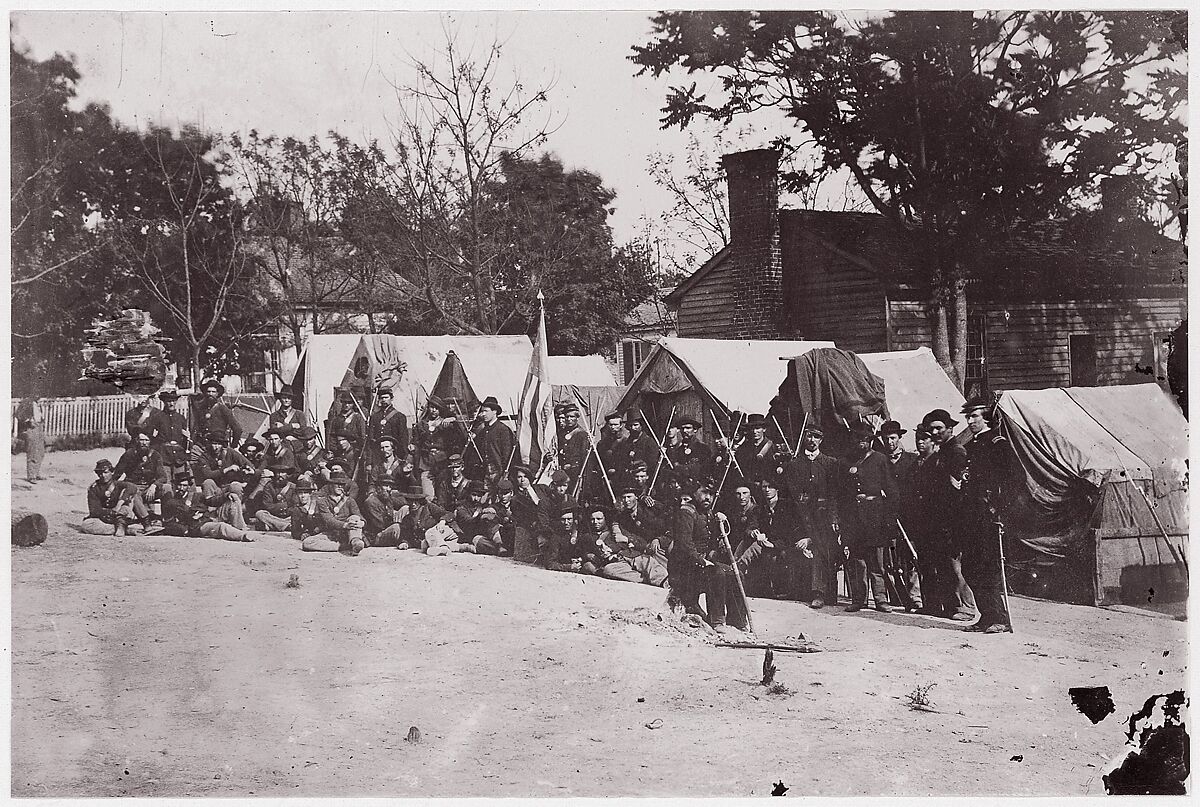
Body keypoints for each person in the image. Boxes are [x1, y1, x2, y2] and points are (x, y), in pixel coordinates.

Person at [959, 398, 1014, 634]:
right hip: (972, 515)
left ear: (986, 418)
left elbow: (1008, 481)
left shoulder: (997, 444)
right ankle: (986, 616)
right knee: (971, 567)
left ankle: (1000, 618)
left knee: (988, 568)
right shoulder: (972, 445)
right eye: (968, 417)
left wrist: (999, 510)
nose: (970, 421)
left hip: (989, 515)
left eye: (974, 416)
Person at [668, 480, 749, 634]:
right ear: (694, 494)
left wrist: (717, 541)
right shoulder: (687, 512)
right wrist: (702, 561)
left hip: (702, 564)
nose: (708, 497)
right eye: (704, 493)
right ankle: (717, 620)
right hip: (685, 569)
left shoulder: (708, 513)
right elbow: (685, 546)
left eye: (711, 494)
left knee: (735, 573)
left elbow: (710, 542)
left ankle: (737, 620)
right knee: (716, 573)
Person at [922, 408, 977, 623]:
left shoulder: (957, 452)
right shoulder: (941, 453)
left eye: (939, 428)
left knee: (955, 564)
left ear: (951, 429)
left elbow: (959, 489)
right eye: (932, 429)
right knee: (943, 563)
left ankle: (967, 607)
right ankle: (951, 605)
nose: (934, 432)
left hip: (952, 518)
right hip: (938, 518)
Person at [840, 421, 899, 613]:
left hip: (875, 517)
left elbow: (891, 491)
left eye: (865, 440)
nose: (861, 443)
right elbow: (841, 493)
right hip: (854, 519)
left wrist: (888, 518)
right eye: (858, 439)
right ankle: (859, 600)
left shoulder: (880, 460)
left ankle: (881, 600)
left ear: (871, 441)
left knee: (876, 562)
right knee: (858, 562)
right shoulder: (847, 461)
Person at [781, 425, 842, 607]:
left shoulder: (830, 463)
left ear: (821, 440)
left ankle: (824, 593)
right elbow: (791, 496)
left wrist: (834, 518)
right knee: (803, 550)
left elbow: (835, 494)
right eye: (809, 436)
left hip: (824, 518)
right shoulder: (794, 465)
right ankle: (808, 592)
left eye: (816, 437)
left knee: (824, 550)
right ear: (804, 439)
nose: (812, 440)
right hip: (802, 518)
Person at [880, 420, 923, 612]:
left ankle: (915, 597)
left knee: (911, 557)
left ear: (899, 438)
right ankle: (898, 597)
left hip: (910, 516)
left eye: (893, 438)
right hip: (888, 516)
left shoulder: (912, 460)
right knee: (892, 560)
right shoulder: (880, 461)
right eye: (886, 438)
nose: (889, 442)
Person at [611, 486, 670, 586]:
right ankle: (646, 578)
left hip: (657, 545)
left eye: (629, 497)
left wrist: (658, 539)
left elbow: (666, 528)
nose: (626, 500)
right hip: (640, 548)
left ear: (637, 497)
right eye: (624, 498)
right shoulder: (623, 517)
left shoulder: (649, 511)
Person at [303, 471, 366, 555]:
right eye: (337, 484)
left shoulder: (350, 500)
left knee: (355, 518)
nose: (340, 486)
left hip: (348, 533)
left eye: (343, 484)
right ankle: (342, 546)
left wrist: (361, 523)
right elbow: (329, 520)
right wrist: (345, 525)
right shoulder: (322, 501)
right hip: (330, 533)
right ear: (330, 485)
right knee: (307, 543)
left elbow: (359, 516)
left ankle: (355, 541)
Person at [114, 428, 167, 526]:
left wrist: (154, 485)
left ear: (150, 442)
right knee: (133, 491)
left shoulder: (155, 455)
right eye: (141, 440)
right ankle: (146, 522)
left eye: (146, 440)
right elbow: (117, 474)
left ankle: (168, 520)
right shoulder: (129, 454)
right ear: (137, 441)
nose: (144, 443)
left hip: (149, 488)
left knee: (167, 488)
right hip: (134, 487)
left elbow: (163, 477)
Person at [82, 459, 144, 535]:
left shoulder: (118, 484)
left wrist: (120, 503)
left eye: (106, 472)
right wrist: (111, 512)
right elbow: (94, 510)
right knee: (86, 525)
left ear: (112, 472)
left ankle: (120, 527)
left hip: (121, 515)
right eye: (100, 473)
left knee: (126, 508)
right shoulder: (94, 488)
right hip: (104, 517)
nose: (103, 476)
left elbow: (133, 487)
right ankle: (126, 530)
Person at [467, 396, 516, 488]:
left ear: (495, 412)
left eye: (486, 411)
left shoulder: (503, 429)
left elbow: (507, 454)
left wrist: (503, 472)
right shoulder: (484, 430)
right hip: (486, 471)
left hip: (499, 471)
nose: (483, 414)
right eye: (482, 411)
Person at [190, 431, 254, 499]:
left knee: (235, 486)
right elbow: (207, 474)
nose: (216, 447)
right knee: (207, 482)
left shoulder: (230, 452)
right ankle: (209, 507)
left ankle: (236, 507)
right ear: (209, 444)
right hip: (215, 486)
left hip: (230, 485)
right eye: (214, 444)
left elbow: (249, 465)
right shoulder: (204, 457)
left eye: (219, 444)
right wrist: (226, 469)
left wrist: (245, 478)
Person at [414, 397, 456, 500]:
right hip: (426, 463)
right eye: (431, 407)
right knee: (428, 496)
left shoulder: (447, 424)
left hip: (442, 463)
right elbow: (416, 442)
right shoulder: (421, 425)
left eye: (436, 408)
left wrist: (453, 418)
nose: (433, 410)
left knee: (443, 495)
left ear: (440, 410)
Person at [366, 387, 410, 476]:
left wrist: (402, 457)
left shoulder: (399, 416)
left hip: (394, 454)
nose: (383, 400)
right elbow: (370, 440)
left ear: (392, 398)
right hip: (378, 454)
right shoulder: (374, 417)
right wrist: (369, 462)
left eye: (386, 397)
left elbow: (403, 438)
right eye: (381, 398)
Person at [667, 418, 713, 493]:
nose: (684, 431)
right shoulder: (679, 450)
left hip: (698, 489)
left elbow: (700, 470)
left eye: (688, 428)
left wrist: (680, 467)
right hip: (682, 489)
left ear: (695, 430)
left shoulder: (703, 448)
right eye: (682, 428)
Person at [541, 506, 592, 573]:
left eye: (569, 519)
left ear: (574, 520)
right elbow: (550, 564)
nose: (566, 522)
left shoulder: (583, 535)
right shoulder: (556, 538)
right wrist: (569, 567)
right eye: (563, 519)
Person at [192, 378, 242, 446]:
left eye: (213, 392)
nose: (210, 394)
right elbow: (196, 428)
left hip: (218, 445)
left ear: (218, 394)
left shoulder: (223, 409)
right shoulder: (201, 409)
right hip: (203, 446)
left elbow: (237, 429)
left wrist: (233, 445)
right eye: (208, 391)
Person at [734, 414, 777, 491]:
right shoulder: (744, 448)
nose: (754, 431)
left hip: (767, 488)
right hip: (750, 487)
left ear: (764, 429)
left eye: (757, 428)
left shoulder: (771, 446)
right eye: (752, 428)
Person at [251, 467, 298, 531]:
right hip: (273, 515)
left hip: (288, 516)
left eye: (283, 472)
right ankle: (286, 526)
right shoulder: (269, 486)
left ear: (287, 474)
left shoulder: (293, 487)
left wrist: (284, 509)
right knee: (260, 514)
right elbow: (268, 505)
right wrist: (285, 505)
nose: (280, 475)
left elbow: (295, 506)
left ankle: (274, 525)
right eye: (278, 472)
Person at [556, 403, 590, 490]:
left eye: (572, 417)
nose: (569, 419)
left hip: (575, 471)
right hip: (563, 471)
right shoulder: (562, 433)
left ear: (577, 418)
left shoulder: (582, 434)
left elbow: (584, 456)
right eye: (567, 417)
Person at [14, 396, 47, 484]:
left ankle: (36, 473)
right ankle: (31, 476)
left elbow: (38, 414)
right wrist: (28, 421)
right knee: (33, 451)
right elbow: (18, 414)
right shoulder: (26, 402)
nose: (38, 395)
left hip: (39, 426)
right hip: (31, 428)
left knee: (40, 451)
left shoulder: (37, 403)